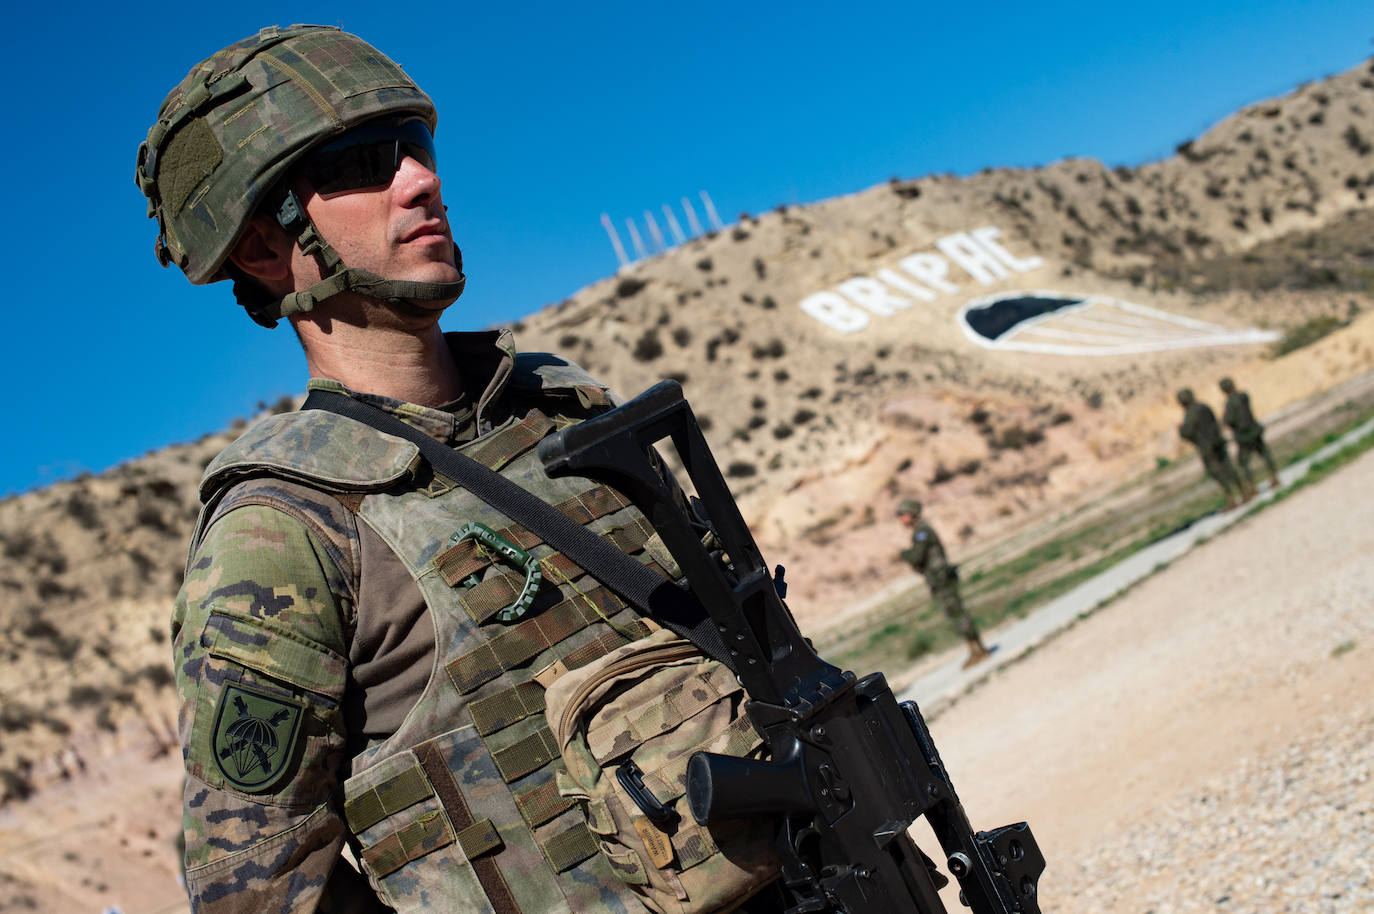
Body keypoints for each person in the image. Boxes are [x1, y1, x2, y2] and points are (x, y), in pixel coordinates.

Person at [138, 26, 778, 914]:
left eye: (417, 147)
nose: (421, 180)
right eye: (365, 160)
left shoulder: (564, 408)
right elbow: (256, 894)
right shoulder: (281, 536)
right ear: (260, 248)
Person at [895, 499, 991, 669]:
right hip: (939, 578)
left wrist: (904, 554)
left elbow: (917, 557)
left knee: (957, 613)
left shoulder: (921, 532)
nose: (900, 519)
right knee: (955, 613)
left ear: (910, 514)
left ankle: (978, 650)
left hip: (941, 579)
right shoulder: (921, 531)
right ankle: (975, 649)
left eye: (902, 515)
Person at [1176, 388, 1253, 509]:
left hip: (1207, 447)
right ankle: (1244, 491)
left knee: (1218, 473)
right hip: (1217, 442)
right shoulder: (1204, 407)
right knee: (1229, 467)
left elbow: (1187, 432)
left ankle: (1231, 499)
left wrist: (1181, 429)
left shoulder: (1190, 414)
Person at [1219, 377, 1281, 491]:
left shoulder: (1230, 403)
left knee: (1243, 462)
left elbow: (1229, 419)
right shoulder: (1243, 396)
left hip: (1244, 435)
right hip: (1254, 429)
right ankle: (1274, 477)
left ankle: (1253, 487)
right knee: (1264, 454)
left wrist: (1224, 421)